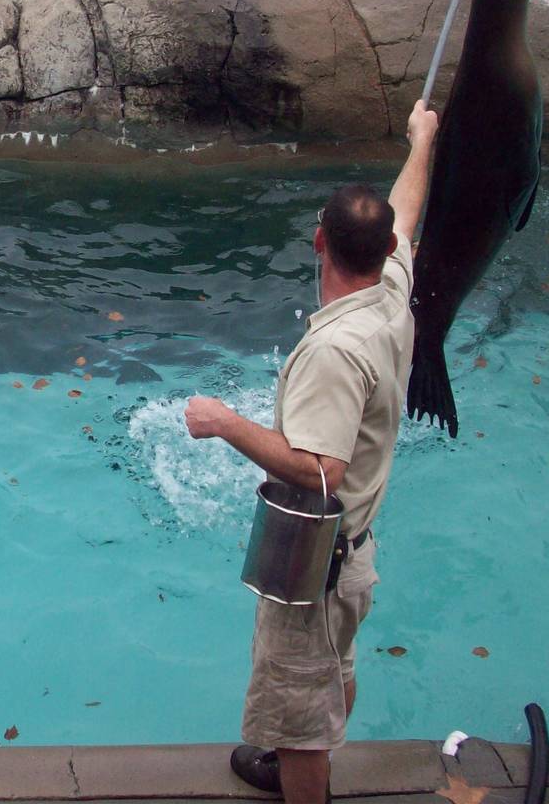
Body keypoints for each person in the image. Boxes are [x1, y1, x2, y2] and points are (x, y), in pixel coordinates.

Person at [184, 99, 438, 804]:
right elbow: (405, 212)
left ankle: (301, 775)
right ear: (384, 251)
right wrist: (422, 140)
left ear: (318, 240)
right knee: (329, 676)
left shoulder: (336, 351)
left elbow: (321, 472)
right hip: (352, 555)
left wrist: (225, 423)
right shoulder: (391, 291)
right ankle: (306, 763)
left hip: (318, 569)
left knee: (298, 716)